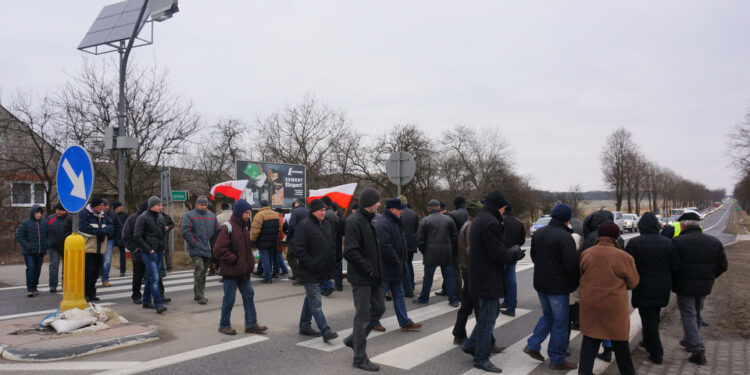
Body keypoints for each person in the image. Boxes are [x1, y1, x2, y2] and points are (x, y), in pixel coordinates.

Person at [461, 191, 524, 373]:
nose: (505, 209)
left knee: (493, 311)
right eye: (504, 206)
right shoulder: (490, 222)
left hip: (481, 275)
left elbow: (492, 249)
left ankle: (471, 343)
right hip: (487, 277)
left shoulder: (482, 218)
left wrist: (509, 251)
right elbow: (496, 253)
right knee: (488, 318)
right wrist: (513, 253)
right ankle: (481, 358)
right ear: (499, 206)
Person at [578, 222, 639, 375]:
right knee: (621, 347)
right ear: (616, 236)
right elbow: (633, 282)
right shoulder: (624, 257)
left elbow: (580, 275)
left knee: (589, 345)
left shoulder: (587, 254)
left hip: (591, 305)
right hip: (614, 308)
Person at [523, 203, 578, 370]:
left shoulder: (539, 233)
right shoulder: (565, 237)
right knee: (561, 323)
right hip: (558, 286)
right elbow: (571, 266)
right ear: (567, 219)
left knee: (548, 316)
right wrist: (573, 284)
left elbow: (533, 256)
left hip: (541, 283)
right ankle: (557, 358)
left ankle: (533, 345)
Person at [671, 211, 728, 365]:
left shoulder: (677, 242)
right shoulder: (714, 242)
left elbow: (674, 266)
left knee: (688, 314)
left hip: (684, 286)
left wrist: (676, 279)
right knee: (696, 312)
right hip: (705, 285)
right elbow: (723, 266)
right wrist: (710, 276)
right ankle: (690, 340)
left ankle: (697, 349)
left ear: (683, 225)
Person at [624, 212, 680, 364]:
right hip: (662, 286)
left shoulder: (634, 243)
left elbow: (628, 267)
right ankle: (647, 342)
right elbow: (676, 266)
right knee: (653, 316)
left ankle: (656, 352)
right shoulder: (668, 243)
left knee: (648, 319)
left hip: (642, 286)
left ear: (641, 226)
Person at [452, 199, 505, 355]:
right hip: (472, 271)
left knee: (468, 305)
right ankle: (486, 343)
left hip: (467, 270)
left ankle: (459, 334)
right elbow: (472, 250)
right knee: (483, 310)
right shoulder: (472, 227)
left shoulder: (467, 225)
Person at [343, 187, 385, 372]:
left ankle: (354, 340)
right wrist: (369, 270)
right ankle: (359, 358)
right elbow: (350, 251)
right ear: (370, 203)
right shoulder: (354, 221)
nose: (379, 204)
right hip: (362, 277)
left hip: (372, 277)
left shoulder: (369, 220)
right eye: (377, 201)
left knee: (380, 308)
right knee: (363, 317)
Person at [213, 199, 268, 335]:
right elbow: (218, 250)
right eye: (246, 213)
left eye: (249, 213)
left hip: (243, 272)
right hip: (231, 272)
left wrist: (249, 264)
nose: (248, 216)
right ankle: (224, 325)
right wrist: (235, 260)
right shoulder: (228, 228)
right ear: (239, 213)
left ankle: (251, 324)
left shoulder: (244, 228)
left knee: (249, 295)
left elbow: (246, 249)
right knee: (229, 299)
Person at [294, 199, 339, 342]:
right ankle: (325, 330)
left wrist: (331, 263)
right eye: (321, 210)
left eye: (325, 210)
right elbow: (299, 250)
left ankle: (304, 326)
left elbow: (330, 245)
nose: (324, 213)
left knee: (310, 300)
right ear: (314, 211)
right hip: (310, 271)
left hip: (323, 270)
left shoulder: (326, 224)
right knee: (316, 302)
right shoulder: (304, 225)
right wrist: (312, 264)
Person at [375, 198, 422, 332]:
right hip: (386, 268)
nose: (402, 211)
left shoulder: (395, 221)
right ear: (392, 209)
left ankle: (405, 322)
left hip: (396, 266)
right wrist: (397, 260)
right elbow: (384, 246)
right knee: (379, 297)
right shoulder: (383, 223)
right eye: (399, 209)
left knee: (399, 295)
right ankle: (373, 321)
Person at [414, 199, 459, 307]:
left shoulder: (425, 220)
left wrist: (424, 251)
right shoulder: (448, 220)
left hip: (430, 253)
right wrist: (450, 249)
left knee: (428, 277)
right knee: (449, 277)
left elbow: (420, 240)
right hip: (446, 253)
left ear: (429, 208)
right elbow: (455, 237)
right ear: (439, 207)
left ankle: (424, 298)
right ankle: (454, 300)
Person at [181, 195, 219, 304]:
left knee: (203, 272)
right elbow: (185, 231)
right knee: (200, 270)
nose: (204, 206)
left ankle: (198, 292)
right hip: (196, 249)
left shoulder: (212, 216)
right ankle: (199, 294)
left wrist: (215, 245)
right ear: (197, 204)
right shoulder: (189, 216)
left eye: (205, 204)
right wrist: (195, 243)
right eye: (202, 204)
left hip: (208, 249)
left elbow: (217, 231)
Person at [134, 196, 168, 314]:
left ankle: (146, 301)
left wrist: (163, 248)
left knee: (150, 277)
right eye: (158, 205)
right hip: (149, 252)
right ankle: (158, 303)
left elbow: (163, 234)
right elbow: (137, 236)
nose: (161, 207)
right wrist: (149, 250)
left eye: (161, 205)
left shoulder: (160, 217)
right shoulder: (142, 218)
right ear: (152, 206)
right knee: (155, 278)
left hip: (158, 251)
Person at [79, 197, 114, 302]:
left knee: (96, 272)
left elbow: (111, 225)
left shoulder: (103, 215)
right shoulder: (85, 214)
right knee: (89, 270)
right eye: (101, 205)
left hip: (100, 248)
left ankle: (92, 293)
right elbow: (82, 227)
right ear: (95, 206)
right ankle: (85, 293)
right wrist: (97, 232)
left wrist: (104, 232)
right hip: (88, 248)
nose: (102, 207)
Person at [437, 196, 468, 298]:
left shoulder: (453, 215)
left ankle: (459, 294)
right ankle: (446, 289)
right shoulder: (471, 213)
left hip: (456, 246)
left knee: (455, 271)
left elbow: (450, 232)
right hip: (470, 246)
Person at [16, 205, 49, 297]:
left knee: (37, 270)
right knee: (31, 268)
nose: (38, 215)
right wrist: (27, 245)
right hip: (29, 252)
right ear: (32, 213)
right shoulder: (26, 223)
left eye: (40, 213)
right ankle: (30, 289)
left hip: (40, 251)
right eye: (36, 213)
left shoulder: (44, 223)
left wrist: (46, 244)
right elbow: (20, 236)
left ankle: (34, 287)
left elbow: (48, 235)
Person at [501, 204, 526, 317]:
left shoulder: (499, 221)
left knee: (500, 280)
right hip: (514, 254)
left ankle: (506, 302)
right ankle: (511, 304)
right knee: (511, 281)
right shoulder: (519, 222)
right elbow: (522, 240)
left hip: (501, 254)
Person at [123, 200, 148, 304]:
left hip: (150, 252)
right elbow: (126, 236)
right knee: (138, 275)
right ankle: (136, 295)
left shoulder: (153, 217)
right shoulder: (132, 219)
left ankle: (157, 294)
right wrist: (134, 249)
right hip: (138, 253)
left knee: (154, 275)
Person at [251, 200, 280, 284]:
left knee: (265, 259)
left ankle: (267, 278)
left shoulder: (259, 215)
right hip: (273, 240)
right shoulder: (275, 214)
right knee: (270, 258)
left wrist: (252, 240)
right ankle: (269, 275)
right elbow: (279, 228)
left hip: (262, 241)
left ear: (261, 206)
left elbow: (255, 230)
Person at [47, 203, 71, 293]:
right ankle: (53, 285)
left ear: (65, 211)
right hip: (53, 246)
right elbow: (46, 230)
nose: (59, 212)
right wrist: (47, 241)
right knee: (54, 265)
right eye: (57, 210)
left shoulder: (70, 218)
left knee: (66, 267)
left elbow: (74, 231)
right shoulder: (50, 218)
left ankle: (65, 284)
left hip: (66, 246)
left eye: (61, 210)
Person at [397, 195, 419, 298]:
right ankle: (412, 285)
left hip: (402, 244)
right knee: (409, 264)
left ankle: (408, 289)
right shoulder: (413, 213)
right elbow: (416, 230)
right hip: (411, 244)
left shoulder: (398, 213)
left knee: (404, 266)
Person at [100, 199, 121, 287]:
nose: (107, 207)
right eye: (104, 205)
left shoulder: (113, 215)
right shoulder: (95, 214)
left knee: (107, 260)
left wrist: (117, 241)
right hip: (98, 239)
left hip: (109, 239)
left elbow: (118, 227)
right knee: (97, 260)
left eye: (107, 205)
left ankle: (105, 279)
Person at [287, 198, 307, 284]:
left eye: (295, 202)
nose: (294, 204)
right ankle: (300, 275)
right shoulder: (308, 211)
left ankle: (298, 275)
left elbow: (291, 225)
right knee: (302, 257)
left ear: (297, 203)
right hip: (306, 238)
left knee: (290, 255)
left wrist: (288, 237)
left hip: (296, 237)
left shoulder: (295, 211)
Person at [112, 202, 129, 277]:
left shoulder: (125, 215)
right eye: (119, 206)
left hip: (122, 237)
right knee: (108, 255)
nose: (121, 207)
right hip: (114, 237)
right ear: (116, 208)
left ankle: (123, 270)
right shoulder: (112, 216)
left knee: (122, 254)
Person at [272, 208, 289, 277]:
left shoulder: (279, 219)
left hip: (278, 239)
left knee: (277, 255)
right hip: (281, 239)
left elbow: (279, 230)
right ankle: (284, 269)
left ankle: (284, 269)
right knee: (278, 254)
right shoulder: (282, 218)